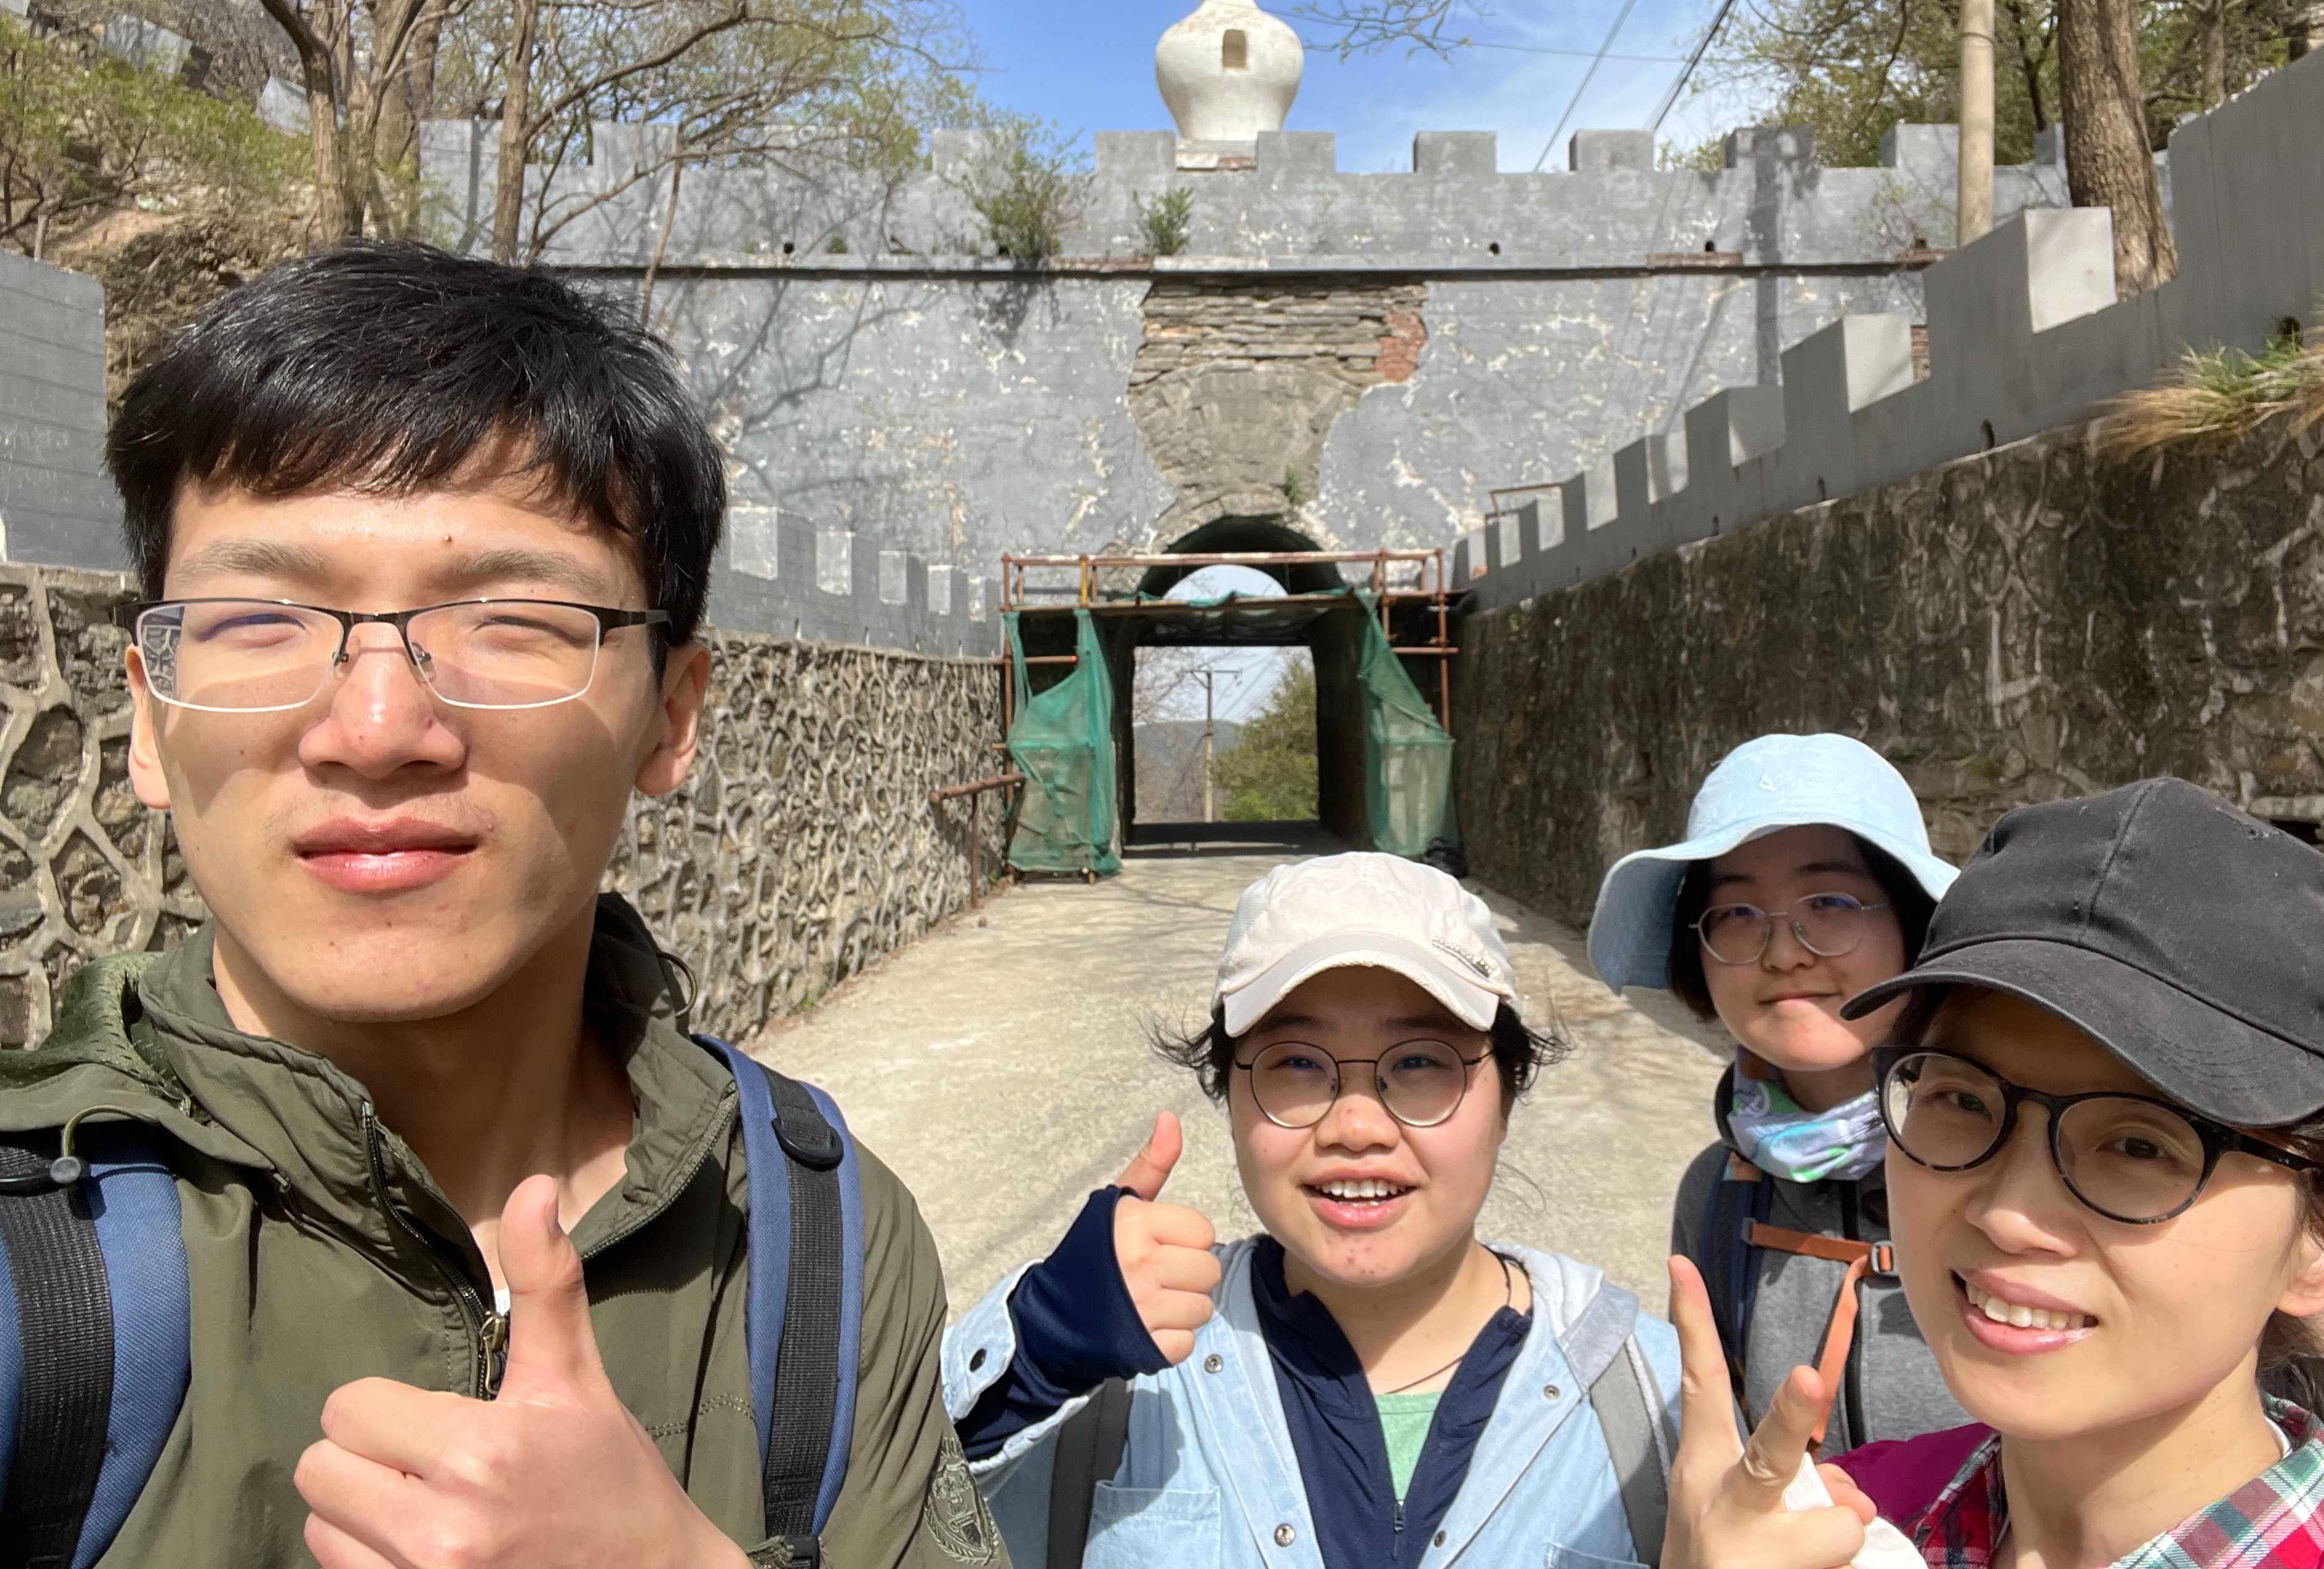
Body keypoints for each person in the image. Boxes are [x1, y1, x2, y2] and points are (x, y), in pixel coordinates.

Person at [0, 244, 1002, 1568]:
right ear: (145, 714)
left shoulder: (820, 1241)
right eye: (260, 619)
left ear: (672, 715)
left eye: (512, 620)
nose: (376, 728)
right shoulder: (29, 1260)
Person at [1589, 734, 2324, 1464]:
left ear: (1915, 924)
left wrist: (2302, 1240)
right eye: (1736, 913)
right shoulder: (1724, 1194)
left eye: (1830, 902)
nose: (1783, 949)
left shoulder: (2181, 1176)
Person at [941, 851, 1687, 1567]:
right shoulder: (1115, 1374)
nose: (1355, 1128)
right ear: (1228, 1098)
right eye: (1297, 1063)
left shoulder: (1655, 1400)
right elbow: (896, 1521)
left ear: (1507, 1098)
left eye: (1420, 1062)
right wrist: (1035, 1354)